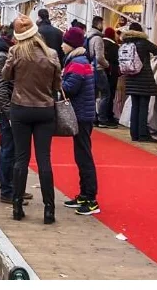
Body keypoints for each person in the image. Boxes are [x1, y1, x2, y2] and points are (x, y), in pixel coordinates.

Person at [3, 14, 61, 224]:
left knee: (21, 158)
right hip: (45, 109)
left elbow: (6, 75)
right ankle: (49, 209)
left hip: (21, 107)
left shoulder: (15, 52)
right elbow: (57, 85)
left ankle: (17, 205)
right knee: (44, 159)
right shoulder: (51, 54)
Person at [0, 26, 30, 205]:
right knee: (8, 150)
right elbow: (0, 87)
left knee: (13, 150)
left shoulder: (5, 53)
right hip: (8, 110)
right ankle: (7, 190)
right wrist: (9, 112)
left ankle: (14, 186)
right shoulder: (1, 56)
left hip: (11, 107)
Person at [60, 27, 100, 216]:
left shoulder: (77, 62)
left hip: (82, 115)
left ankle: (91, 198)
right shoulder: (78, 61)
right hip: (83, 113)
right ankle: (84, 194)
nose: (61, 45)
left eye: (64, 42)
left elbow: (70, 88)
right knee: (81, 154)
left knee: (84, 156)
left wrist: (57, 82)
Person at [120, 22, 157, 143]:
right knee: (143, 107)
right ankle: (143, 135)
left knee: (135, 106)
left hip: (130, 78)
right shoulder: (143, 42)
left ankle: (134, 134)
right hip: (144, 79)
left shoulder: (125, 43)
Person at [85, 16, 109, 127]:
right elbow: (99, 56)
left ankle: (93, 117)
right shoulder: (98, 38)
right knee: (105, 94)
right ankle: (102, 119)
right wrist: (107, 65)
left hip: (90, 68)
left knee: (93, 94)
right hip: (98, 69)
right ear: (99, 24)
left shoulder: (88, 36)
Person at [97, 27, 121, 128]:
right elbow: (116, 59)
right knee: (108, 95)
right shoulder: (114, 46)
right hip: (112, 72)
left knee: (102, 95)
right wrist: (110, 66)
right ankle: (106, 117)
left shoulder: (101, 42)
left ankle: (101, 116)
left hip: (102, 71)